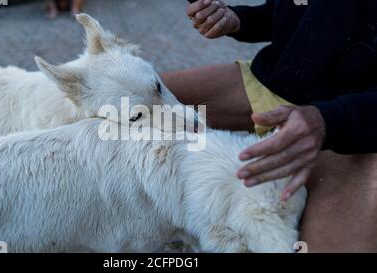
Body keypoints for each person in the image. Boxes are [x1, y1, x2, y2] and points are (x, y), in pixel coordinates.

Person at [161, 0, 377, 252]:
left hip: (356, 121)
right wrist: (238, 19)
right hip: (276, 84)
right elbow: (292, 11)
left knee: (329, 246)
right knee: (125, 105)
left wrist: (327, 120)